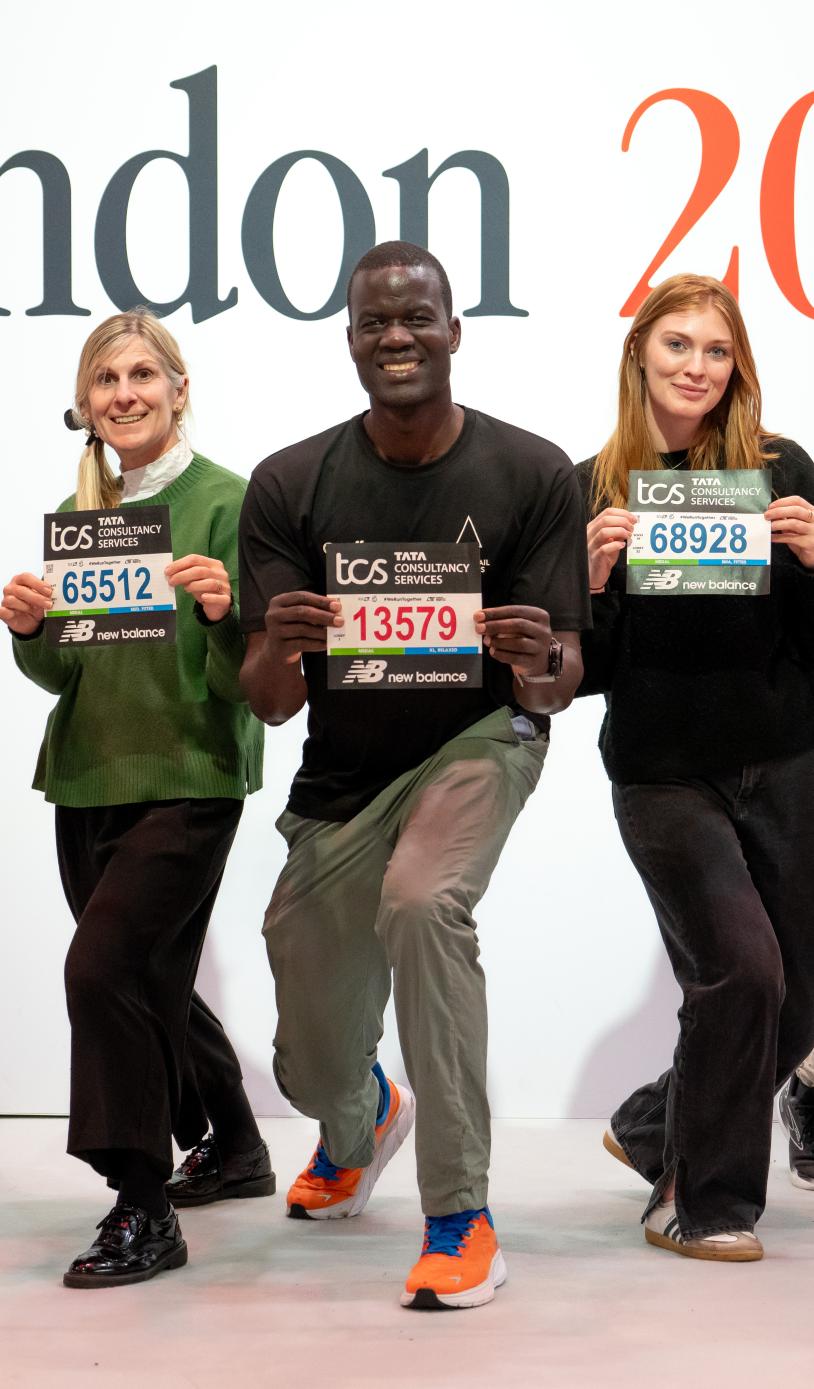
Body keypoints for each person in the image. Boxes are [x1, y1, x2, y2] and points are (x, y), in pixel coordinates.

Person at [238, 241, 590, 1309]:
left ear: (453, 330)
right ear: (350, 342)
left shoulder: (530, 471)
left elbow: (560, 677)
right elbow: (267, 699)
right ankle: (361, 1122)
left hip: (480, 739)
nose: (397, 337)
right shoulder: (290, 482)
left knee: (423, 904)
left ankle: (460, 1214)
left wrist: (539, 662)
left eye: (416, 318)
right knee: (307, 1055)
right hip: (342, 779)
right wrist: (279, 647)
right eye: (374, 324)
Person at [1, 309, 272, 1289]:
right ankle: (236, 1144)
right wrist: (31, 629)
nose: (125, 393)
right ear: (87, 403)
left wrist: (222, 606)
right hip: (86, 776)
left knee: (100, 969)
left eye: (142, 375)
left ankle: (140, 1203)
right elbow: (64, 673)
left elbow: (265, 671)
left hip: (189, 775)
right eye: (107, 379)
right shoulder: (87, 518)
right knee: (142, 977)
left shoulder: (229, 503)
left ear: (178, 388)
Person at [577, 273, 814, 1261]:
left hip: (786, 756)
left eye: (716, 351)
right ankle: (705, 1200)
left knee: (799, 989)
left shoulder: (781, 467)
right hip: (663, 774)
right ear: (640, 355)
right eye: (678, 345)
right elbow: (575, 671)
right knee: (744, 969)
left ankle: (647, 1128)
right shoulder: (591, 486)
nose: (697, 367)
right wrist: (591, 585)